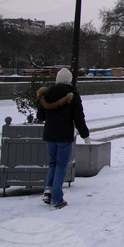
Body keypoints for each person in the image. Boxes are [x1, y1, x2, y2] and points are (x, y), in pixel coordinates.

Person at [37, 67, 90, 209]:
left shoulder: (45, 94)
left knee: (53, 164)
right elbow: (79, 118)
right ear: (69, 80)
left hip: (49, 134)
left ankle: (48, 191)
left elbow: (41, 116)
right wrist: (85, 135)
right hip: (64, 135)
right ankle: (57, 198)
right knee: (61, 166)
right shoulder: (73, 95)